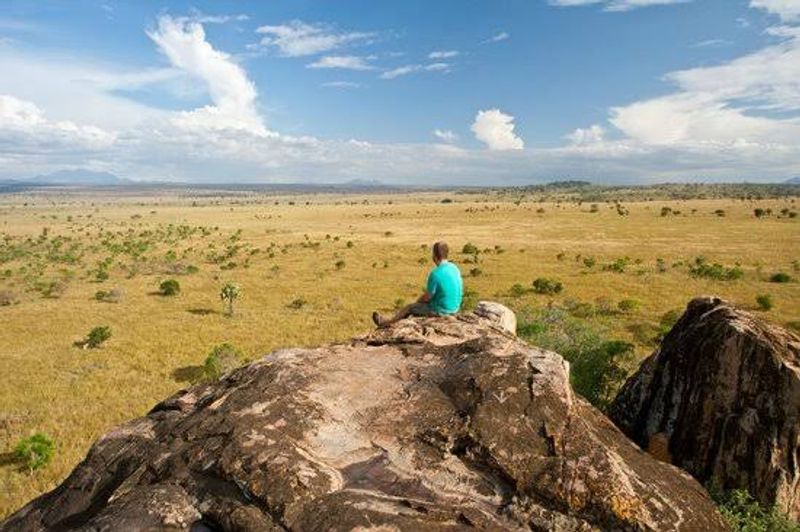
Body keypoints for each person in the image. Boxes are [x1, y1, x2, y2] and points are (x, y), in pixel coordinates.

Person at [372, 241, 463, 327]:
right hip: (455, 308)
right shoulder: (454, 268)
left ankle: (387, 322)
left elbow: (427, 297)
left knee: (409, 308)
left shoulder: (435, 273)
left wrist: (418, 301)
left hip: (441, 311)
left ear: (434, 256)